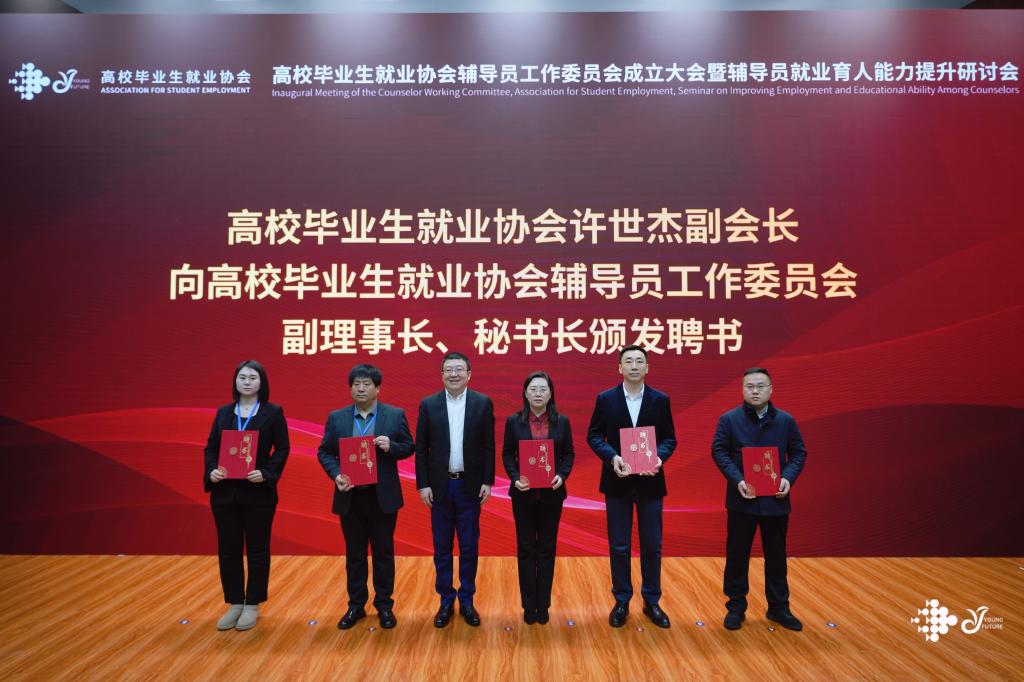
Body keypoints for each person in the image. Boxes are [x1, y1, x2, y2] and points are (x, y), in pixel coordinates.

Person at [316, 364, 415, 631]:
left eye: (366, 384)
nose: (361, 388)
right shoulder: (337, 418)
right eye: (356, 384)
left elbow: (409, 446)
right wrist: (336, 474)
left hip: (382, 496)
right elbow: (324, 451)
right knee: (355, 554)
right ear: (350, 388)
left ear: (377, 388)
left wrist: (391, 447)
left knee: (383, 553)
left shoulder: (394, 415)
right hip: (350, 496)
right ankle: (356, 605)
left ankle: (384, 605)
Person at [711, 367, 807, 631]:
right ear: (743, 390)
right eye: (749, 386)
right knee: (737, 555)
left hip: (776, 500)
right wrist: (738, 480)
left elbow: (798, 453)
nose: (755, 391)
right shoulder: (729, 420)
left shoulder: (786, 421)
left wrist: (787, 478)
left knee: (776, 555)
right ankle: (735, 607)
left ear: (771, 390)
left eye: (760, 386)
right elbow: (719, 451)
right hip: (742, 499)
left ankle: (779, 607)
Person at [587, 345, 676, 629]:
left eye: (639, 361)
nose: (634, 366)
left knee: (652, 544)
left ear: (647, 367)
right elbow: (594, 436)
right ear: (620, 368)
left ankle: (652, 601)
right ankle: (622, 600)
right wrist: (612, 457)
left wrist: (659, 458)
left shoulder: (660, 400)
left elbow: (669, 439)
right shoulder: (606, 399)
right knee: (619, 545)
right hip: (618, 481)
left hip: (651, 482)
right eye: (629, 361)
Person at [203, 360, 290, 631]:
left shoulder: (272, 413)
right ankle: (234, 603)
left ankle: (252, 603)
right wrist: (211, 472)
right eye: (242, 377)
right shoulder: (224, 413)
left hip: (257, 493)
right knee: (228, 549)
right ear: (235, 381)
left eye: (253, 377)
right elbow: (211, 448)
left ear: (261, 382)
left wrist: (266, 473)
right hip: (225, 493)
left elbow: (283, 449)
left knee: (257, 549)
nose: (247, 382)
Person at [415, 351, 495, 628]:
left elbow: (488, 445)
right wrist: (423, 484)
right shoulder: (429, 404)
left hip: (469, 486)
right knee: (442, 547)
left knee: (469, 546)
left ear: (469, 374)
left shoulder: (482, 403)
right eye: (448, 369)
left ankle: (467, 600)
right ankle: (446, 601)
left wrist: (488, 481)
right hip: (439, 487)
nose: (454, 374)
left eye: (459, 369)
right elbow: (421, 448)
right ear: (442, 375)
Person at [501, 371, 575, 625]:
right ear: (525, 393)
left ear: (550, 393)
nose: (538, 393)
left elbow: (569, 454)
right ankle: (528, 604)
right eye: (533, 389)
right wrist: (514, 478)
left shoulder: (562, 422)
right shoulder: (514, 421)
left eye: (543, 389)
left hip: (552, 495)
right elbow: (507, 454)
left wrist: (562, 475)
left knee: (546, 549)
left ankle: (543, 605)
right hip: (523, 496)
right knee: (525, 549)